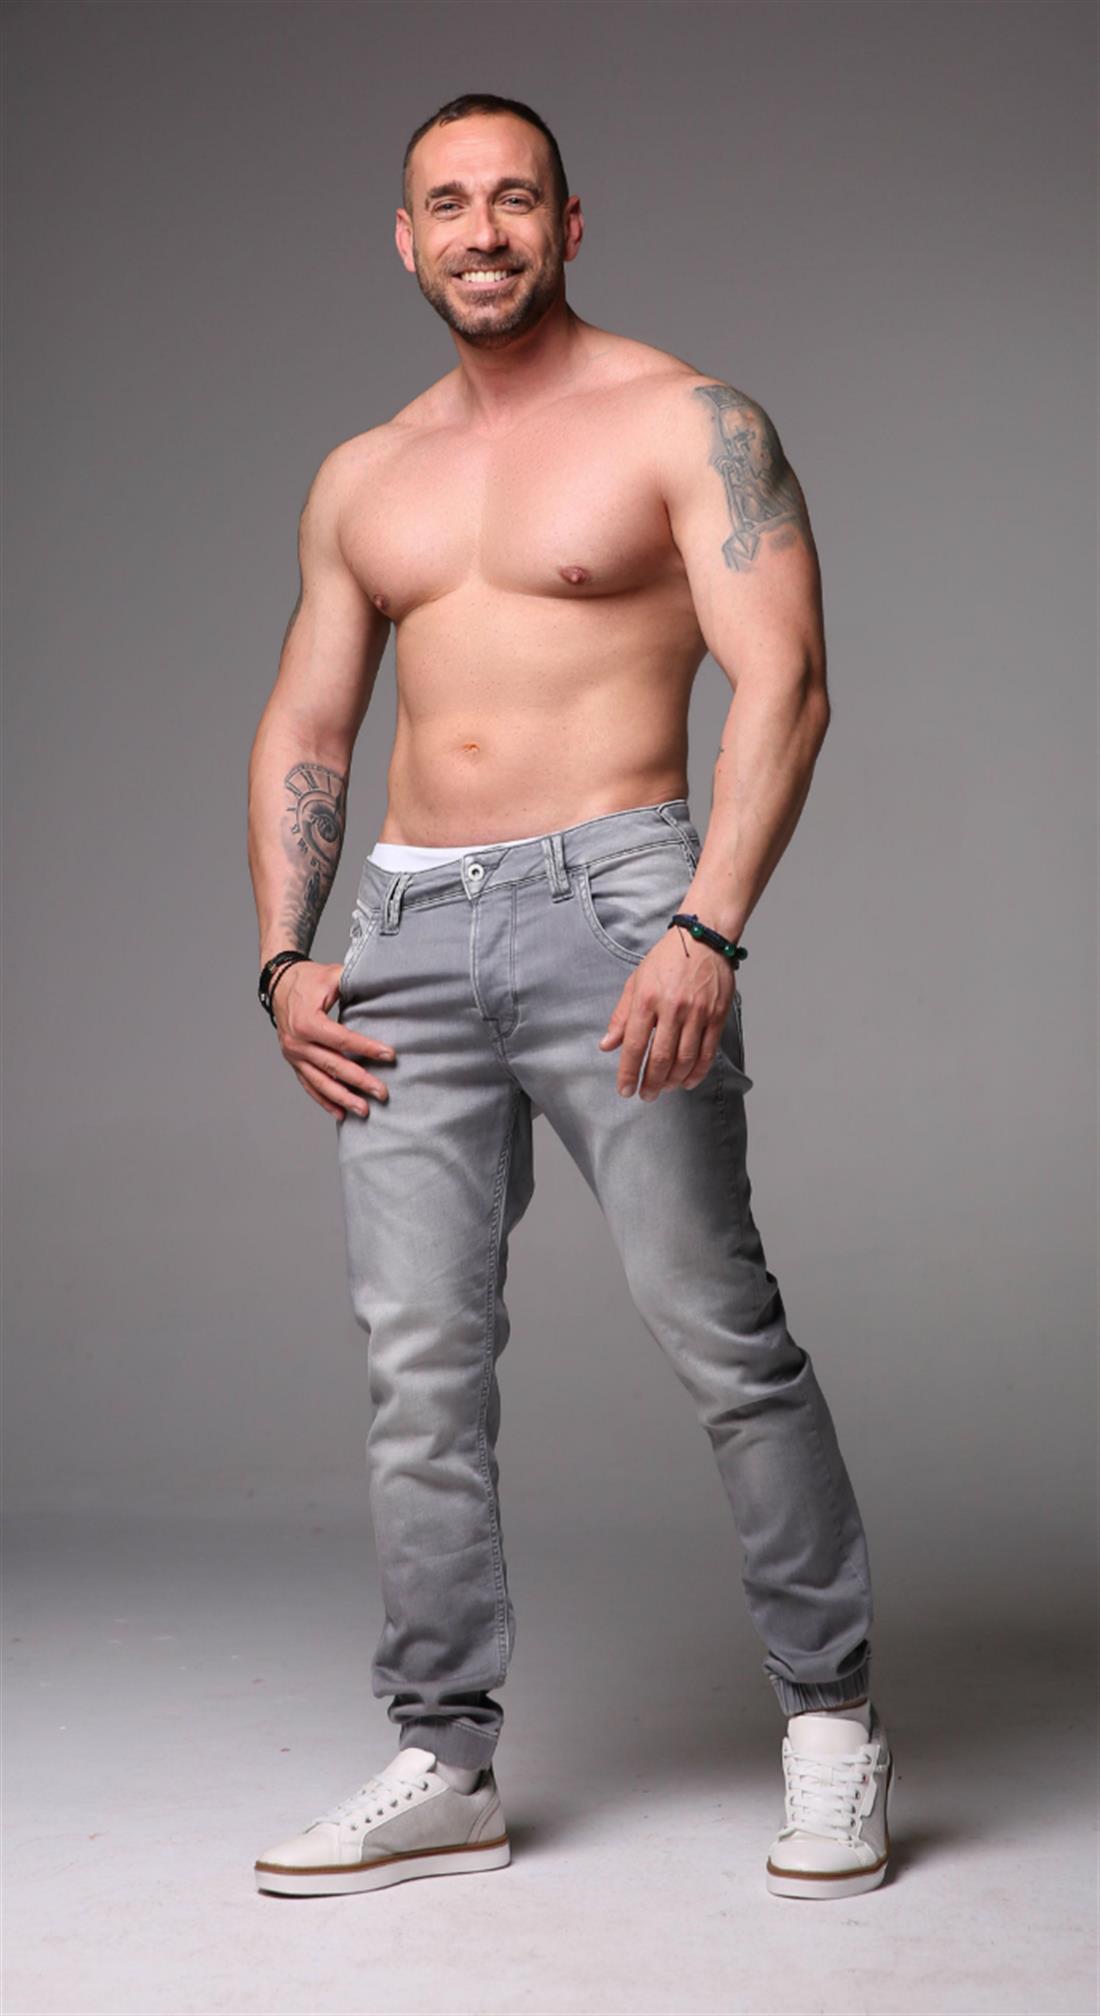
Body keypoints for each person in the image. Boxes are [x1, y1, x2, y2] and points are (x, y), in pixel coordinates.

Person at [247, 92, 893, 1903]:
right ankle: (444, 1760)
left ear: (570, 222)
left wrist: (708, 925)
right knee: (419, 1369)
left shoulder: (689, 421)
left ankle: (832, 1721)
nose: (483, 231)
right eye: (449, 204)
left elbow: (787, 681)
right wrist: (289, 955)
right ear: (406, 239)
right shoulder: (365, 475)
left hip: (622, 906)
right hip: (405, 929)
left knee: (718, 1329)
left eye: (514, 199)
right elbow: (310, 723)